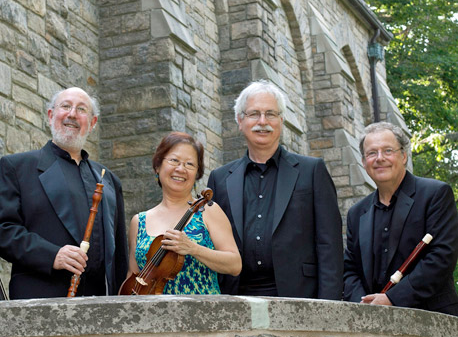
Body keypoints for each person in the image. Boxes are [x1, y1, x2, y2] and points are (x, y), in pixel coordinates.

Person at [207, 80, 343, 299]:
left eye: (271, 114)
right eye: (254, 114)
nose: (263, 122)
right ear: (240, 121)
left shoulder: (312, 171)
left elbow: (329, 244)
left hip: (299, 295)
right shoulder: (219, 178)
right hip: (235, 297)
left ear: (281, 120)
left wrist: (330, 305)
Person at [0, 87, 128, 298]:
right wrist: (53, 255)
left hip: (100, 306)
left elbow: (118, 256)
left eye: (81, 109)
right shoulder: (16, 167)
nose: (72, 114)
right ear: (51, 115)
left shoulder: (108, 180)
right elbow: (3, 232)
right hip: (40, 300)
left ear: (92, 123)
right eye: (65, 106)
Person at [343, 122, 458, 315]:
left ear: (403, 156)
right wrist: (364, 305)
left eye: (388, 150)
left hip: (432, 318)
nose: (380, 158)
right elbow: (349, 269)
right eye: (372, 153)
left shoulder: (435, 194)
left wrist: (392, 299)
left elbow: (442, 257)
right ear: (363, 162)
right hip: (373, 321)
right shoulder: (356, 213)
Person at [125, 132, 241, 294]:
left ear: (197, 174)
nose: (181, 169)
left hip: (201, 314)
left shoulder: (208, 210)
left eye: (190, 164)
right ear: (158, 166)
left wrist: (193, 249)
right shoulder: (139, 221)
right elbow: (133, 276)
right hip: (151, 316)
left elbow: (235, 265)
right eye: (174, 160)